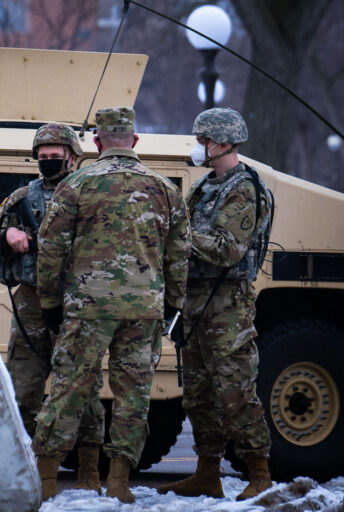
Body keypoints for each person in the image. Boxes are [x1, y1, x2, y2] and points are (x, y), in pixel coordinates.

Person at [33, 107, 191, 503]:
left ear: (97, 142)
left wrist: (50, 302)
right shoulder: (165, 189)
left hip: (87, 308)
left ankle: (46, 480)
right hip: (144, 310)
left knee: (68, 389)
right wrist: (174, 305)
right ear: (134, 141)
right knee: (134, 396)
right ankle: (119, 482)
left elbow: (50, 250)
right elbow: (179, 256)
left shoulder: (76, 184)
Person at [158, 108, 274, 501]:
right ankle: (207, 472)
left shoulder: (246, 190)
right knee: (198, 393)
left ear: (222, 142)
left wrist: (178, 233)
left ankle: (260, 472)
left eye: (203, 140)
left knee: (235, 391)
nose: (199, 147)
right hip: (196, 302)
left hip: (228, 306)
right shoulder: (206, 186)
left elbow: (227, 249)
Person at [0, 123, 104, 493]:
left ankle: (88, 471)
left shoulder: (91, 193)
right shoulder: (22, 197)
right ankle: (31, 466)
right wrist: (8, 235)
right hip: (32, 303)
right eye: (43, 157)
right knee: (23, 388)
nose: (49, 162)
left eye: (56, 156)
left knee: (82, 387)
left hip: (76, 303)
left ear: (73, 156)